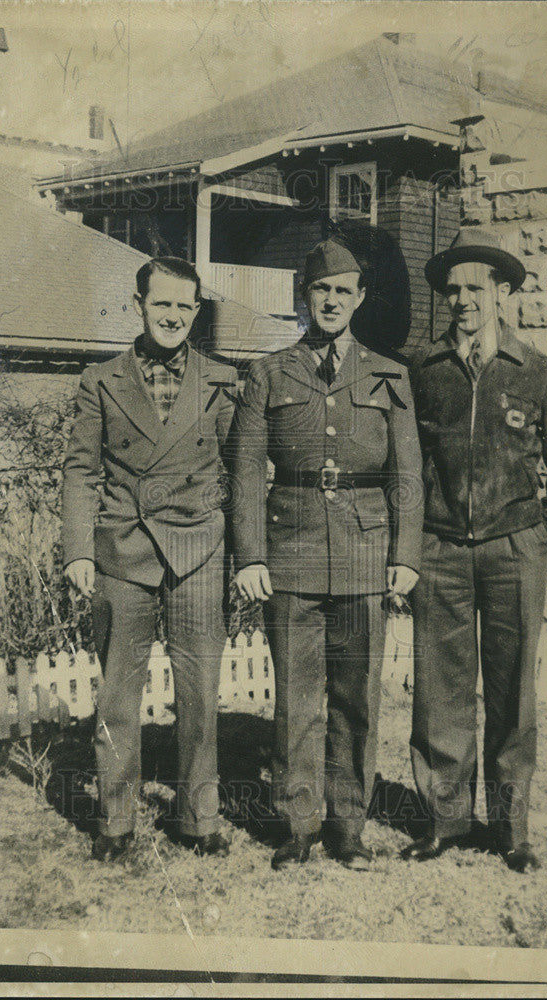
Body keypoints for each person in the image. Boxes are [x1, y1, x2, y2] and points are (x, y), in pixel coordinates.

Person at [228, 239, 423, 871]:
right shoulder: (268, 374)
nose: (331, 300)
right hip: (291, 549)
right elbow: (247, 469)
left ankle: (349, 827)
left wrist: (407, 555)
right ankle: (297, 824)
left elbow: (408, 476)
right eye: (321, 290)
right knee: (296, 698)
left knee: (358, 695)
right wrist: (251, 557)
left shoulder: (390, 374)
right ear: (303, 298)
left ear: (360, 298)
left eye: (343, 289)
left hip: (367, 550)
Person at [404, 228, 547, 872]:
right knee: (441, 690)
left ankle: (512, 828)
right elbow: (409, 464)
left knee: (512, 691)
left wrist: (544, 527)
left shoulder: (536, 371)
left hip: (515, 551)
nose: (462, 300)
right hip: (442, 552)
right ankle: (446, 822)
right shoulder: (423, 372)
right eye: (452, 289)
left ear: (502, 292)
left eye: (475, 288)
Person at [62, 257, 237, 862]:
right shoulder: (101, 380)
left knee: (199, 689)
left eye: (184, 306)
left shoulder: (220, 380)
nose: (172, 316)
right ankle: (115, 821)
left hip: (198, 549)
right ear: (138, 305)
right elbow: (81, 470)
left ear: (196, 312)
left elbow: (240, 471)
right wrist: (78, 549)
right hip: (123, 550)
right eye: (161, 304)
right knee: (117, 696)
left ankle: (199, 817)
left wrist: (244, 554)